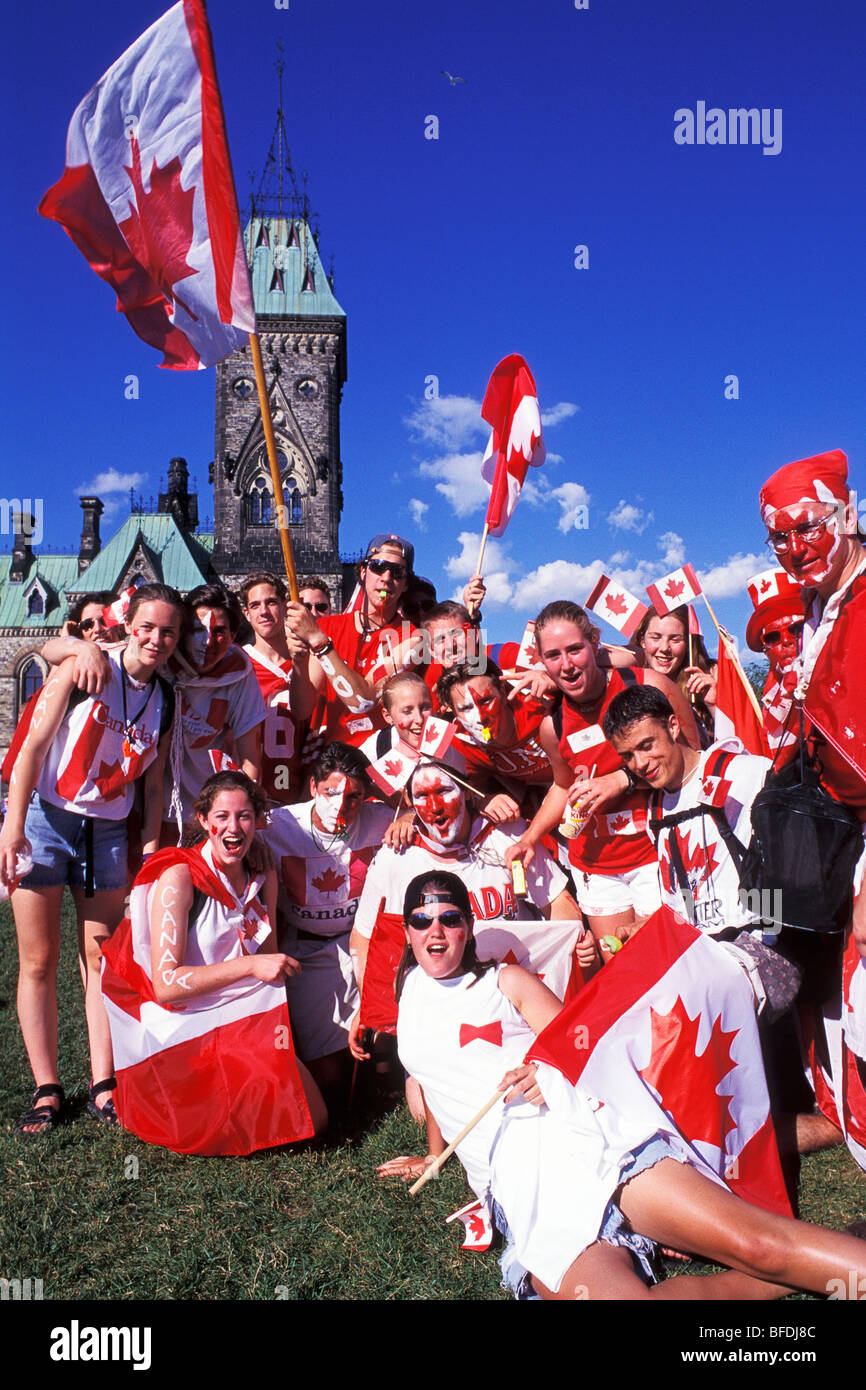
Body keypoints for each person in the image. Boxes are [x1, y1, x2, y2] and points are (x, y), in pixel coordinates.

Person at [378, 870, 866, 1301]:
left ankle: (829, 1265)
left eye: (450, 918)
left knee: (756, 1244)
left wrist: (547, 1072)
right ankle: (835, 1256)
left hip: (581, 1141)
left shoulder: (504, 982)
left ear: (468, 927)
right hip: (521, 1190)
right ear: (408, 931)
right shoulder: (409, 993)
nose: (436, 930)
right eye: (422, 921)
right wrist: (434, 1155)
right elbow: (437, 1078)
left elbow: (581, 1050)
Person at [0, 583, 183, 1135]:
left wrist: (149, 848)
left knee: (100, 959)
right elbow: (32, 746)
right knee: (38, 959)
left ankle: (104, 1082)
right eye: (148, 626)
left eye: (168, 631)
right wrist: (11, 829)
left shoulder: (166, 698)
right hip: (46, 818)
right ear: (128, 623)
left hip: (106, 828)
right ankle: (47, 1086)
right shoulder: (86, 666)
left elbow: (154, 783)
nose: (156, 639)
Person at [100, 771, 326, 1154]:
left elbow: (268, 962)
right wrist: (249, 967)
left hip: (236, 1010)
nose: (233, 828)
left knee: (315, 1118)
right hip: (178, 1020)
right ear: (203, 821)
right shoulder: (180, 877)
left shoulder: (261, 875)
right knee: (285, 1119)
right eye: (221, 817)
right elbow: (166, 985)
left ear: (257, 821)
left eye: (243, 817)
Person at [759, 447, 866, 1167]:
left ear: (847, 513)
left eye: (808, 528)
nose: (797, 549)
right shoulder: (821, 605)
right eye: (780, 539)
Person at [507, 601, 700, 956]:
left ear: (595, 641)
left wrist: (621, 780)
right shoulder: (554, 725)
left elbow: (691, 764)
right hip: (596, 864)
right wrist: (530, 837)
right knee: (620, 968)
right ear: (541, 660)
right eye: (553, 655)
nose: (566, 665)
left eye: (575, 649)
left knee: (667, 962)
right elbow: (563, 786)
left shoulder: (649, 684)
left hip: (653, 854)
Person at [602, 683, 801, 1018]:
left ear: (673, 725)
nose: (640, 763)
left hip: (762, 950)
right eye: (627, 756)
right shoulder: (654, 807)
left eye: (646, 745)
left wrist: (769, 922)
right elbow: (681, 904)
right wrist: (644, 930)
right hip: (701, 957)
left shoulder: (743, 773)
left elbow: (792, 861)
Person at [350, 758, 588, 1036]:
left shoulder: (507, 835)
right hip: (439, 1009)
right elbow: (363, 938)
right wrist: (374, 1004)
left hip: (515, 999)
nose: (435, 806)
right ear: (410, 803)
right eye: (423, 797)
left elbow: (559, 904)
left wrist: (574, 945)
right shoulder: (395, 855)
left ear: (466, 791)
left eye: (443, 792)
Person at [259, 743, 393, 1101]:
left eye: (354, 797)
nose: (342, 805)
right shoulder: (279, 826)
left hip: (363, 943)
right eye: (331, 792)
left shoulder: (382, 819)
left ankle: (385, 1065)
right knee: (329, 1079)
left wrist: (408, 814)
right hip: (308, 950)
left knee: (381, 1055)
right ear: (313, 787)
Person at [285, 534, 420, 748]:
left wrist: (319, 642)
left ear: (405, 584)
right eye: (378, 567)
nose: (386, 578)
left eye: (397, 572)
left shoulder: (413, 638)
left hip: (383, 762)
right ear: (363, 572)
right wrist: (299, 663)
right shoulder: (328, 627)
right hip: (336, 760)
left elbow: (363, 701)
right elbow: (302, 710)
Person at [162, 583, 266, 837]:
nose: (207, 641)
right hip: (155, 809)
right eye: (198, 630)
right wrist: (79, 648)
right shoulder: (159, 660)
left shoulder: (239, 672)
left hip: (209, 814)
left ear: (233, 635)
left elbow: (250, 758)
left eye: (219, 631)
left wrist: (247, 822)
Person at [240, 571, 308, 804]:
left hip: (302, 796)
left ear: (284, 606)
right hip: (251, 797)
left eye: (271, 602)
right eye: (255, 605)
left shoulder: (308, 661)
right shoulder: (238, 666)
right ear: (246, 614)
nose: (264, 611)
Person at [744, 567, 806, 754]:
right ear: (765, 651)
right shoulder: (770, 706)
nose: (786, 641)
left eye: (796, 629)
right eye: (773, 637)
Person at [631, 605, 717, 739]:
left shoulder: (712, 675)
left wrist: (715, 704)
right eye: (656, 638)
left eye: (675, 639)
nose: (665, 648)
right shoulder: (630, 683)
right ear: (642, 641)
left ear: (688, 643)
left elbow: (741, 740)